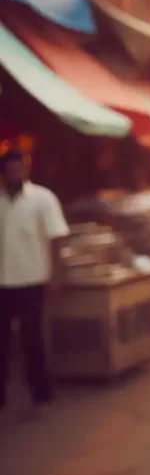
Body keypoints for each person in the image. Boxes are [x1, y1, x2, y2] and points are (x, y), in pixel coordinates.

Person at [0, 150, 69, 411]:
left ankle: (40, 391)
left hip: (31, 278)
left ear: (26, 170)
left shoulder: (43, 199)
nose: (15, 175)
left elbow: (57, 237)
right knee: (2, 342)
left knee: (32, 339)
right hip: (3, 282)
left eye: (19, 170)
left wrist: (56, 275)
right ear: (4, 174)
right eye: (10, 171)